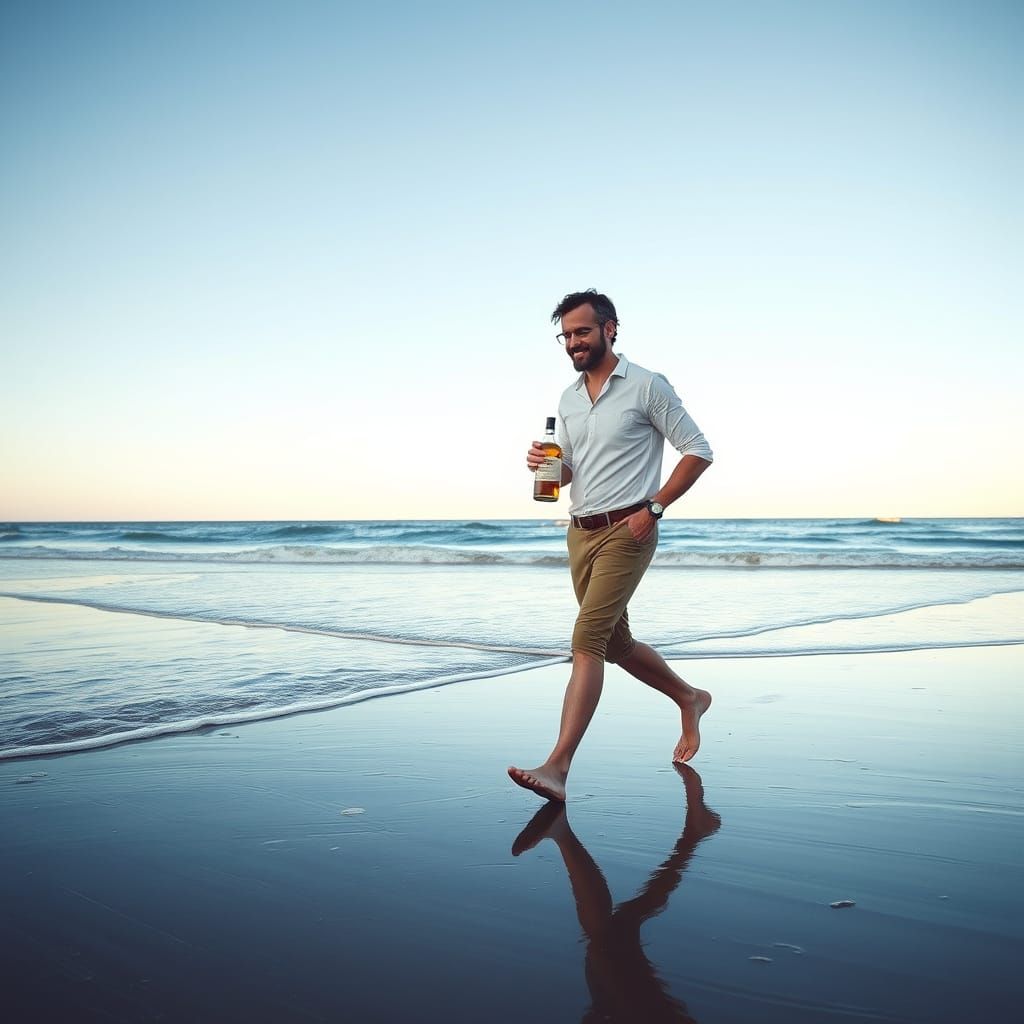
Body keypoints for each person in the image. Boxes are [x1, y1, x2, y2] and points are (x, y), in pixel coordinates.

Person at [508, 289, 714, 803]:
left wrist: (656, 507)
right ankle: (690, 698)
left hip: (630, 530)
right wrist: (546, 467)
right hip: (580, 532)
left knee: (587, 638)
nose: (574, 342)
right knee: (616, 644)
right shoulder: (568, 398)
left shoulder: (647, 385)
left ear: (610, 328)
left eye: (582, 331)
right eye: (567, 335)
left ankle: (557, 766)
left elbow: (699, 451)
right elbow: (574, 469)